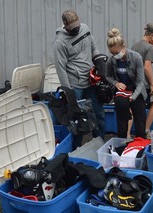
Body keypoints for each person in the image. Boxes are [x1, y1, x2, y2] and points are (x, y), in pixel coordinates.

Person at [53, 9, 106, 148]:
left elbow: (93, 47)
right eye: (73, 28)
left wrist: (99, 61)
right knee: (78, 120)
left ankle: (100, 144)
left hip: (91, 81)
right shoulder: (60, 42)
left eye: (78, 26)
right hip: (75, 85)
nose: (77, 29)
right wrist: (67, 91)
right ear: (65, 25)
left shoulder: (85, 29)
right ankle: (76, 148)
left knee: (98, 114)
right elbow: (60, 68)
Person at [106, 28, 147, 139]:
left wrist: (133, 97)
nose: (115, 55)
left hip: (136, 89)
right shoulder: (111, 60)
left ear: (124, 47)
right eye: (112, 53)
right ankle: (122, 143)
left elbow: (140, 81)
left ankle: (140, 143)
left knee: (140, 121)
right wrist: (116, 83)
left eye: (117, 52)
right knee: (122, 121)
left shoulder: (136, 57)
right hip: (122, 90)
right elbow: (108, 76)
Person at [131, 23, 153, 137]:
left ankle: (128, 134)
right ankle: (146, 129)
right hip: (145, 83)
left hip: (133, 83)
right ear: (151, 35)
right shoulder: (150, 48)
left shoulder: (134, 46)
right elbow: (147, 67)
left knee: (134, 107)